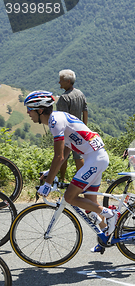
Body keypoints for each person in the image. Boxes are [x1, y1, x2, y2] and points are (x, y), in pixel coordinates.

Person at [24, 91, 116, 253]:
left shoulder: (54, 122)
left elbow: (58, 156)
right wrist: (49, 171)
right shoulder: (57, 118)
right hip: (94, 156)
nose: (27, 113)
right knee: (90, 206)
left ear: (39, 110)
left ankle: (110, 214)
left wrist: (47, 183)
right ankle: (106, 237)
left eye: (29, 109)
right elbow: (66, 150)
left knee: (70, 197)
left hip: (94, 158)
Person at [56, 69, 88, 181]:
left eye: (61, 80)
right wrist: (85, 128)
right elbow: (85, 111)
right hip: (79, 130)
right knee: (78, 156)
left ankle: (61, 180)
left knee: (62, 156)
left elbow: (61, 118)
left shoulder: (64, 98)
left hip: (67, 132)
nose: (59, 82)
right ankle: (83, 180)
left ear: (68, 81)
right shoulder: (80, 94)